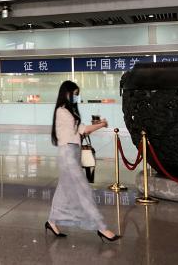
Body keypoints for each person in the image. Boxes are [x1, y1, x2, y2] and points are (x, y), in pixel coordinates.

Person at [45, 80, 120, 243]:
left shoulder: (70, 111)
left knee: (63, 191)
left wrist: (96, 125)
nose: (76, 97)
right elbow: (82, 130)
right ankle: (102, 227)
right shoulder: (62, 111)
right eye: (75, 94)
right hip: (67, 155)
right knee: (84, 190)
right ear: (66, 93)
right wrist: (101, 124)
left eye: (78, 94)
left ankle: (51, 221)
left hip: (73, 152)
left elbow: (79, 132)